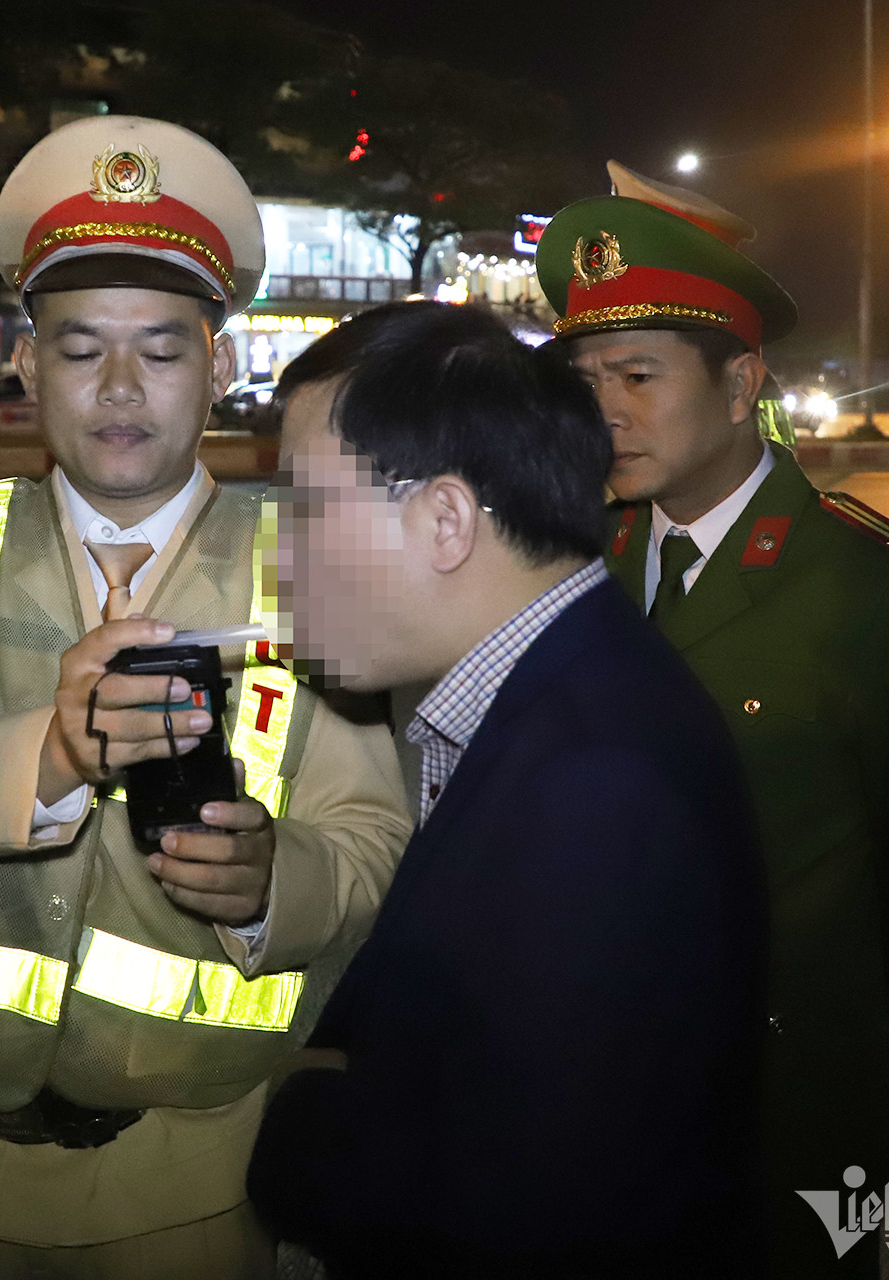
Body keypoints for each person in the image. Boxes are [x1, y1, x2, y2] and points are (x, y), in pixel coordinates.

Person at [0, 116, 411, 1279]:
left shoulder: (315, 567)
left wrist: (271, 886)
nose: (119, 387)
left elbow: (370, 837)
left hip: (193, 1173)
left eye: (161, 347)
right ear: (28, 364)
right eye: (81, 346)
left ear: (220, 368)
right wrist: (50, 753)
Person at [537, 162, 889, 1276]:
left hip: (790, 1119)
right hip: (591, 1112)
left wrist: (807, 989)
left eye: (639, 375)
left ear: (740, 381)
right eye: (586, 379)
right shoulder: (572, 566)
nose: (605, 410)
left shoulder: (880, 587)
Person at [245, 302, 768, 1276]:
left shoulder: (595, 782)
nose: (279, 563)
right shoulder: (556, 689)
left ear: (445, 520)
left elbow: (531, 1199)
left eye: (305, 513)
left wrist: (299, 1127)